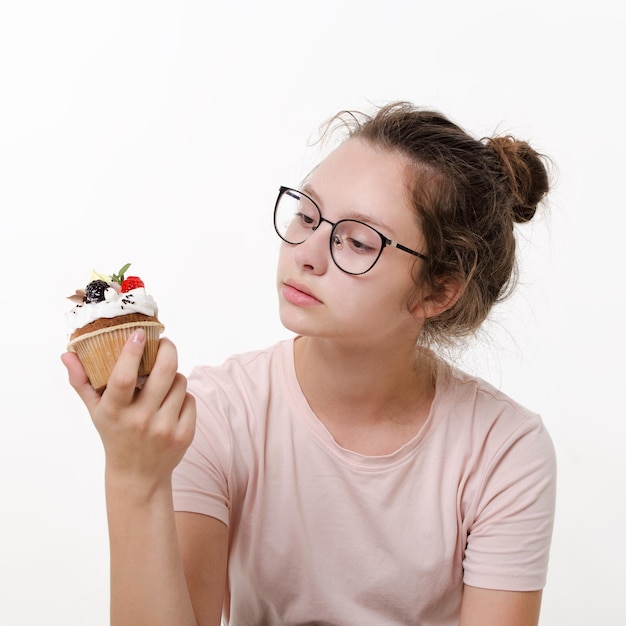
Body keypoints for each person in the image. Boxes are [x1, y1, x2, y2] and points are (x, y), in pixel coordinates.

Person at [62, 101, 557, 626]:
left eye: (357, 241)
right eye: (307, 214)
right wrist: (134, 478)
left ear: (437, 293)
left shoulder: (504, 450)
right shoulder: (216, 414)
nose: (306, 252)